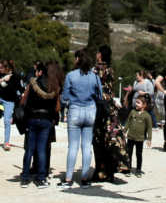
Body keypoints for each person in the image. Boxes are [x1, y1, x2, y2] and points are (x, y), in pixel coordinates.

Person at [60, 48, 102, 186]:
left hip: (75, 110)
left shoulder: (71, 76)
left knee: (73, 146)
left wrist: (68, 101)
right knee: (86, 147)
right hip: (90, 111)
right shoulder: (95, 76)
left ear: (77, 59)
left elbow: (64, 97)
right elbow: (99, 96)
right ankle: (84, 178)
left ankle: (68, 178)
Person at [19, 62, 59, 186]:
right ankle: (41, 178)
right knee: (42, 149)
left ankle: (25, 177)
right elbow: (54, 106)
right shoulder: (54, 86)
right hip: (46, 119)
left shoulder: (33, 83)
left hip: (32, 117)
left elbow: (27, 102)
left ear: (41, 72)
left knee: (30, 149)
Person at [93, 45, 128, 181]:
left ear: (100, 55)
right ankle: (110, 171)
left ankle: (101, 171)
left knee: (98, 139)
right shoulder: (111, 69)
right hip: (111, 107)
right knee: (111, 139)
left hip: (100, 106)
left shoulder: (97, 69)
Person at [124, 93, 153, 176]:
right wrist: (124, 130)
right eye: (136, 102)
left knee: (139, 154)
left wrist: (149, 139)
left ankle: (138, 170)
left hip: (140, 139)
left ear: (144, 105)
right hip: (130, 137)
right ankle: (128, 169)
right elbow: (128, 122)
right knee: (129, 153)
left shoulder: (147, 116)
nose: (136, 104)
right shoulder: (132, 112)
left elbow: (149, 128)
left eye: (138, 102)